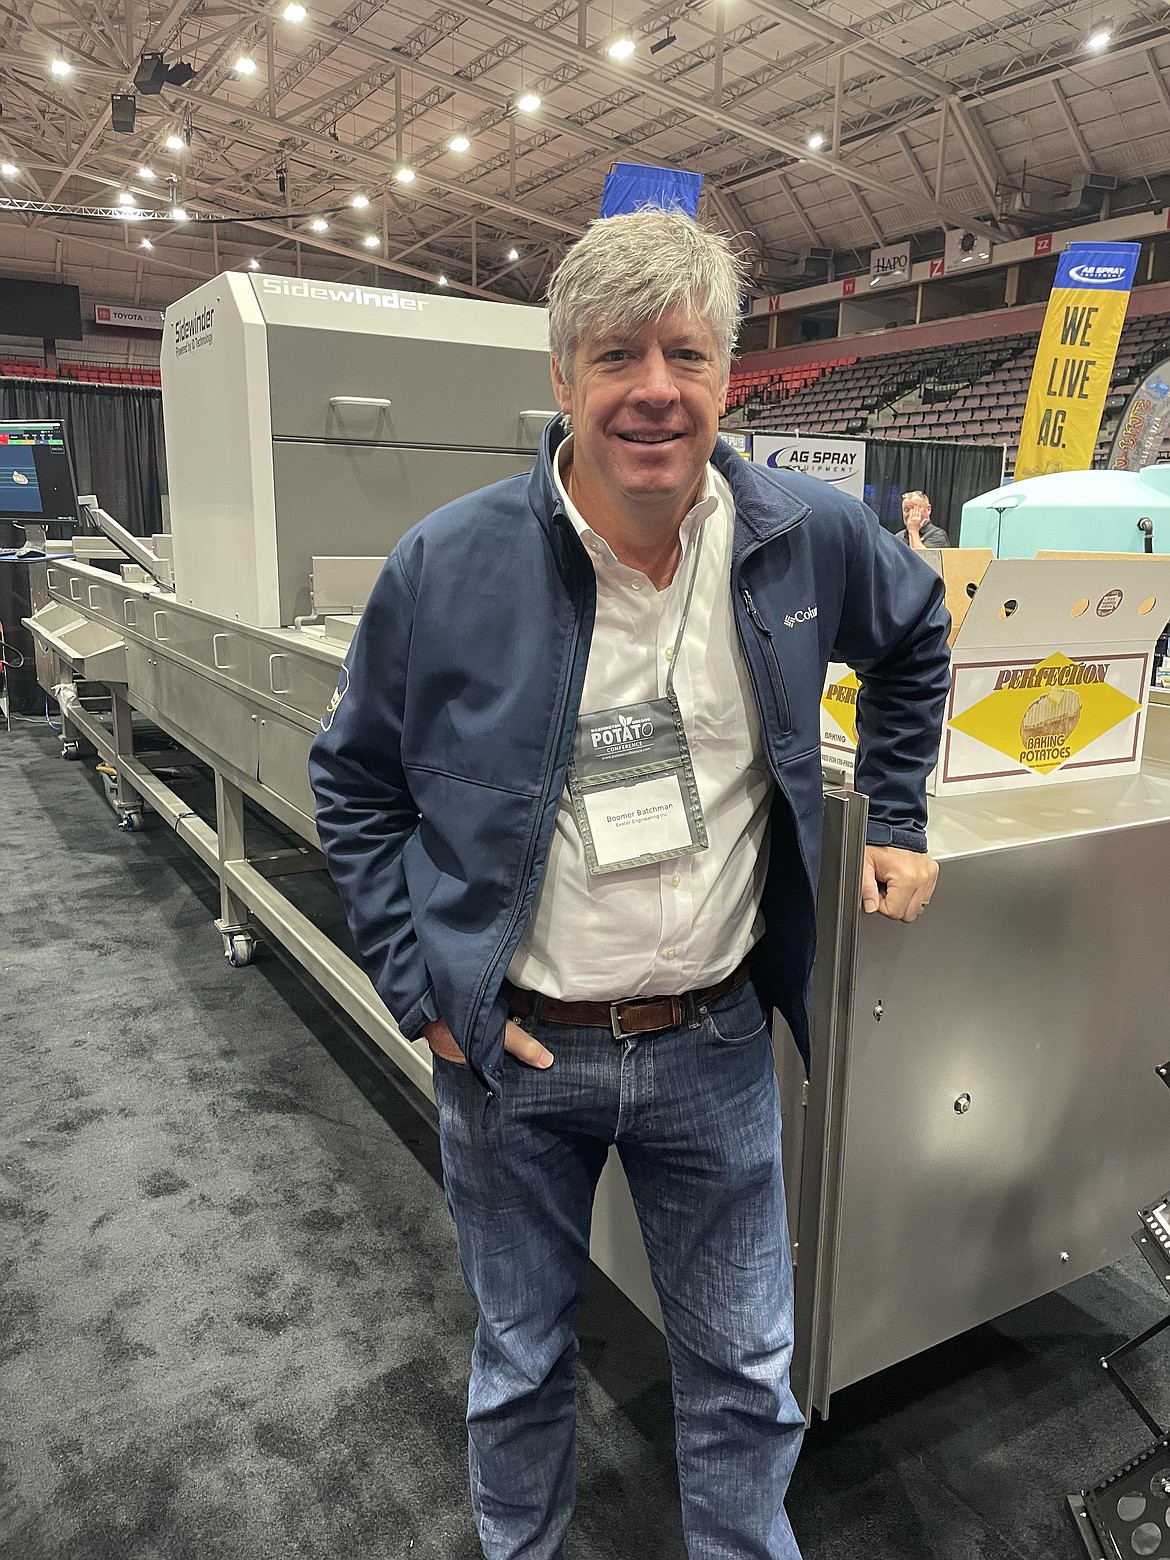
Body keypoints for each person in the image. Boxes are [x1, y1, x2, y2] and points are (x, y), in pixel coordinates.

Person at [310, 208, 951, 1560]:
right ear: (561, 380)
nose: (653, 388)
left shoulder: (806, 536)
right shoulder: (446, 563)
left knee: (741, 1376)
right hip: (512, 1056)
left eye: (686, 353)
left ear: (728, 374)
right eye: (615, 356)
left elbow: (915, 632)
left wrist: (896, 815)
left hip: (714, 1042)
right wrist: (421, 987)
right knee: (521, 1362)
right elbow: (354, 784)